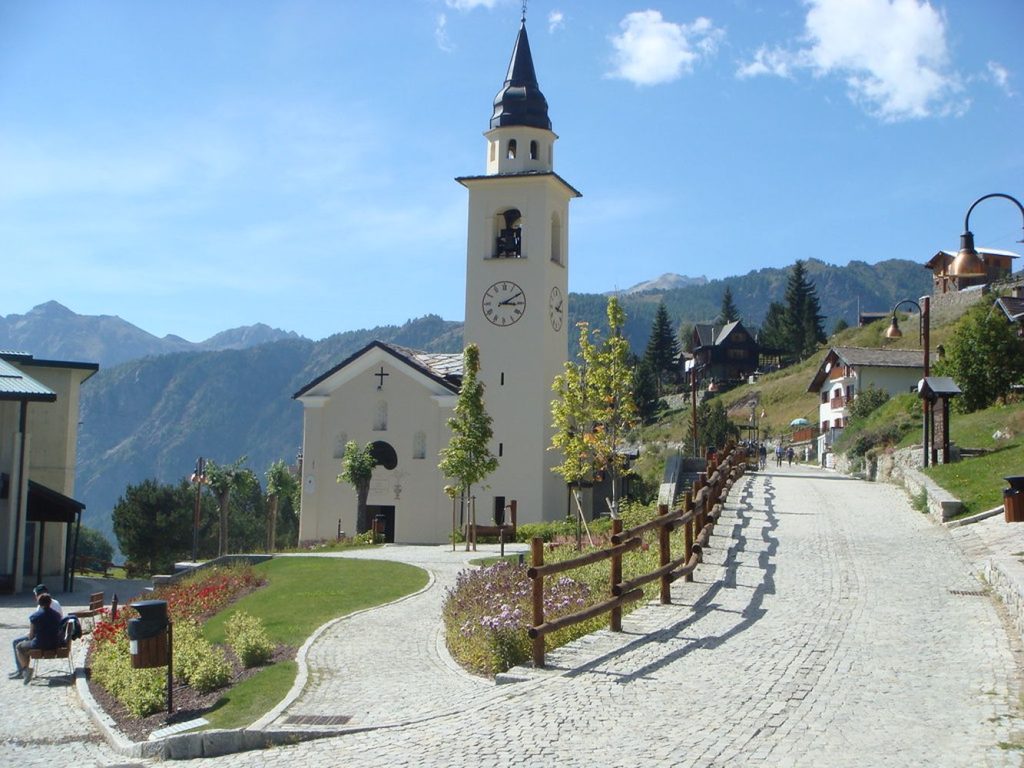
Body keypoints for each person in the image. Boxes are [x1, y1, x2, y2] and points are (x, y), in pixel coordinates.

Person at [9, 585, 63, 680]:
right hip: (55, 640)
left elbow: (32, 634)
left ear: (39, 598)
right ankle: (24, 670)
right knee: (24, 643)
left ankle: (24, 670)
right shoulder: (57, 610)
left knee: (18, 644)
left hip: (41, 642)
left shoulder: (37, 614)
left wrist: (29, 636)